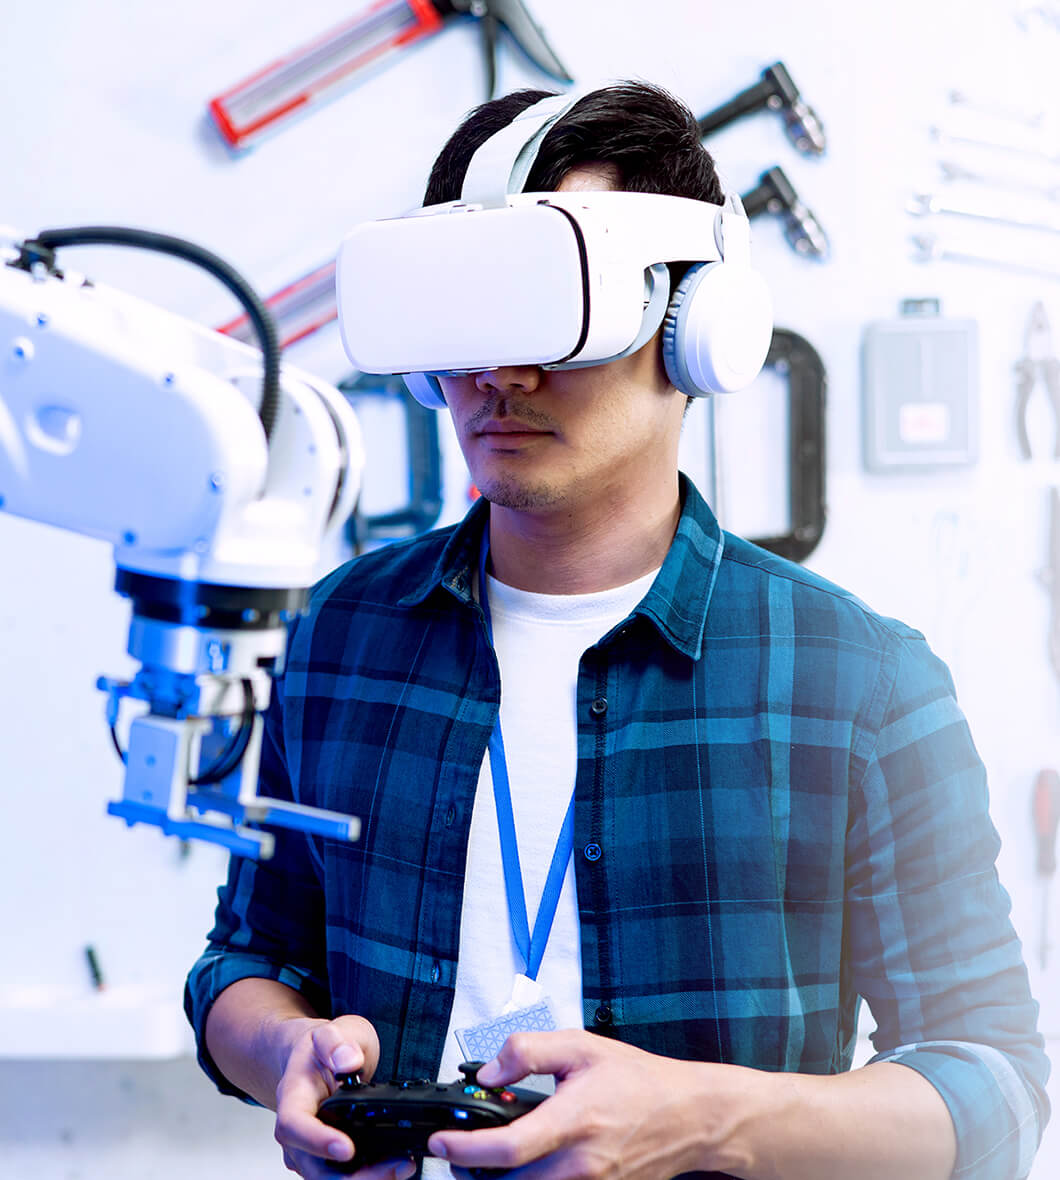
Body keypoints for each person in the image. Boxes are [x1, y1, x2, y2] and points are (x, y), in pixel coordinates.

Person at [185, 81, 1050, 1180]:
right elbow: (243, 961)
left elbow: (994, 1088)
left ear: (695, 330)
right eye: (465, 317)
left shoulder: (862, 680)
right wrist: (283, 1051)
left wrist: (704, 1119)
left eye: (553, 310)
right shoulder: (342, 632)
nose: (501, 371)